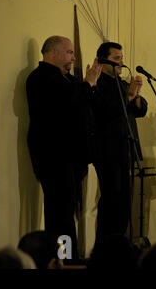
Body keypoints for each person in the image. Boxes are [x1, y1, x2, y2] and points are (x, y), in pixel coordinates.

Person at [26, 36, 102, 260]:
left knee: (67, 211)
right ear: (52, 53)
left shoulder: (66, 79)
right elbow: (67, 106)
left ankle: (67, 257)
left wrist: (90, 84)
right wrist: (87, 83)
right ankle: (64, 259)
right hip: (54, 156)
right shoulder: (41, 78)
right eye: (69, 52)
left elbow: (84, 105)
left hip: (71, 157)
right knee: (60, 214)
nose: (74, 57)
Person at [91, 42, 148, 242]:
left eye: (122, 59)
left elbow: (139, 111)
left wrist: (136, 94)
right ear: (102, 60)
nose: (121, 63)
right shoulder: (98, 83)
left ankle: (120, 245)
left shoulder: (121, 83)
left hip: (127, 149)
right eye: (116, 59)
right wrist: (130, 95)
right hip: (107, 151)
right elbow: (106, 112)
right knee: (112, 200)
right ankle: (105, 247)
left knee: (125, 202)